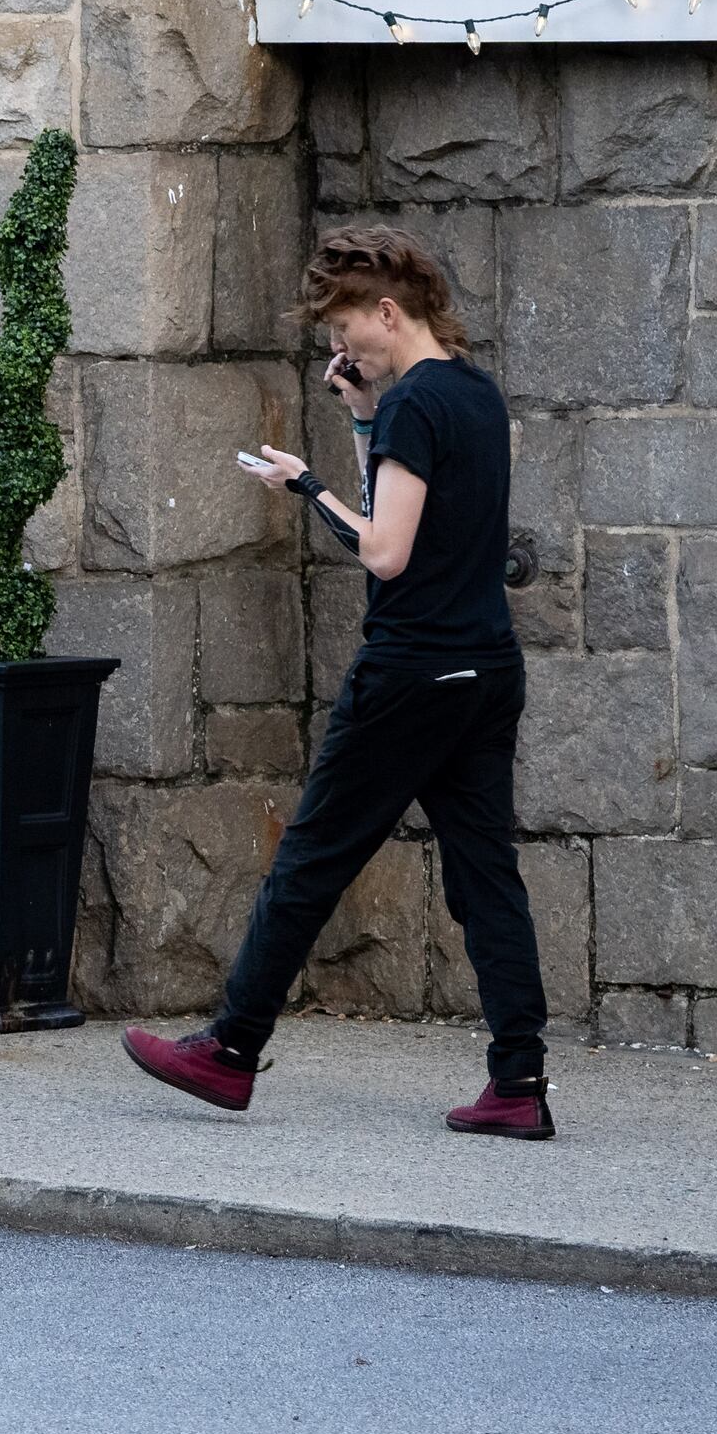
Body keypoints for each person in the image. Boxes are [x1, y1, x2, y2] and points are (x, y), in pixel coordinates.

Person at [121, 227, 555, 1139]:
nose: (339, 348)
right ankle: (518, 1083)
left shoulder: (417, 408)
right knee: (487, 880)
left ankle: (230, 1051)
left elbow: (386, 550)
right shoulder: (472, 396)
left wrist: (303, 485)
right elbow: (413, 513)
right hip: (484, 668)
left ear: (389, 312)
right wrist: (361, 419)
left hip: (409, 674)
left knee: (309, 864)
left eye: (346, 330)